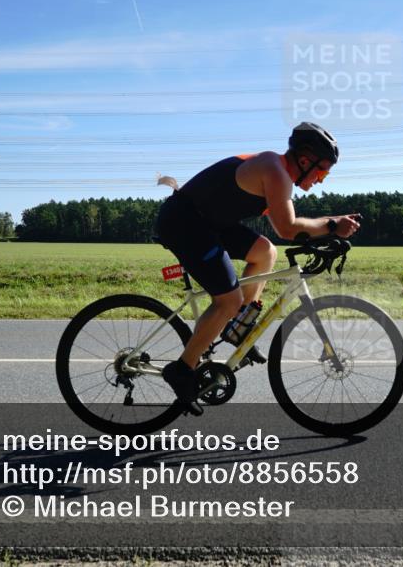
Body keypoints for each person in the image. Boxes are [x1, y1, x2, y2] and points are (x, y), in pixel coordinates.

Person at [155, 122, 361, 407]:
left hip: (209, 222)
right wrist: (333, 225)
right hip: (184, 222)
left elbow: (293, 226)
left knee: (265, 252)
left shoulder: (278, 171)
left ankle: (238, 327)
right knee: (228, 301)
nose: (322, 180)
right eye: (323, 171)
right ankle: (182, 371)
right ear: (305, 161)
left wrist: (331, 226)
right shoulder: (275, 171)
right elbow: (288, 228)